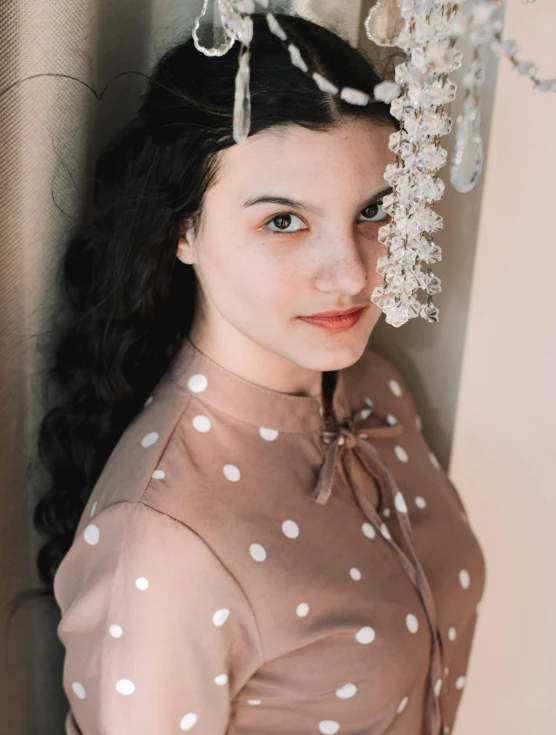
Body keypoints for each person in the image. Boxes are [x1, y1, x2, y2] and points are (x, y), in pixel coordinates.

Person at [20, 11, 487, 735]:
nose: (352, 273)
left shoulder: (377, 387)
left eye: (374, 211)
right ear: (182, 228)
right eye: (282, 221)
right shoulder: (164, 538)